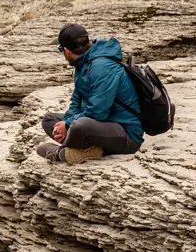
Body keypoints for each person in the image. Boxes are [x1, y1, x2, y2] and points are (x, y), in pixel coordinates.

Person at [36, 23, 144, 164]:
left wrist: (68, 125)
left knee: (79, 126)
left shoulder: (102, 67)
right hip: (101, 126)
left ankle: (65, 152)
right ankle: (84, 149)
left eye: (60, 49)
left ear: (67, 50)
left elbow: (98, 112)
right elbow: (76, 102)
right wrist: (65, 123)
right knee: (49, 120)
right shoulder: (82, 65)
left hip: (126, 135)